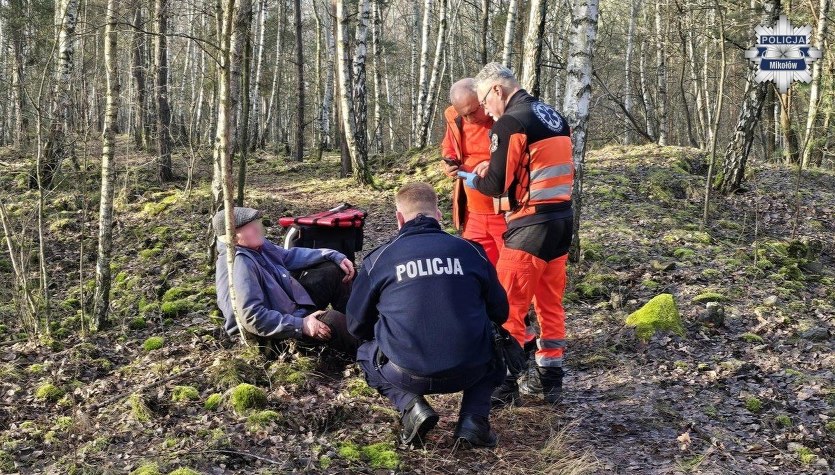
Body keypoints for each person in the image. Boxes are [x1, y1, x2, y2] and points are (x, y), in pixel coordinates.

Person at [346, 183, 508, 447]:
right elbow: (500, 312)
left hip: (405, 372)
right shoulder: (471, 251)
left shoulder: (379, 259)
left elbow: (355, 326)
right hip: (471, 368)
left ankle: (411, 407)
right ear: (439, 214)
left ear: (399, 218)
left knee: (365, 352)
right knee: (497, 340)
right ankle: (474, 420)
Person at [457, 63, 574, 406]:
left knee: (509, 306)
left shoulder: (510, 122)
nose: (486, 112)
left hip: (530, 226)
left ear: (496, 90)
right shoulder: (551, 114)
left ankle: (503, 384)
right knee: (550, 303)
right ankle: (550, 379)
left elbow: (497, 184)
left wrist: (473, 178)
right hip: (561, 220)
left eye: (483, 101)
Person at [213, 207, 359, 357]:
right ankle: (370, 350)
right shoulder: (239, 262)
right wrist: (301, 325)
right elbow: (252, 317)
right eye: (250, 227)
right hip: (275, 335)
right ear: (232, 236)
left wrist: (333, 255)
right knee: (332, 321)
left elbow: (289, 256)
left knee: (334, 270)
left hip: (292, 307)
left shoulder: (256, 247)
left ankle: (359, 324)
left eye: (256, 223)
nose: (258, 228)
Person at [441, 78, 506, 265]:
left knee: (511, 271)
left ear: (483, 98)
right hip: (471, 212)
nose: (470, 119)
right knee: (477, 267)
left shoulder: (506, 117)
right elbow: (448, 147)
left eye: (473, 111)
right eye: (464, 114)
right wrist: (449, 164)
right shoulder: (454, 118)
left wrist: (494, 164)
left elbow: (521, 154)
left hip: (504, 211)